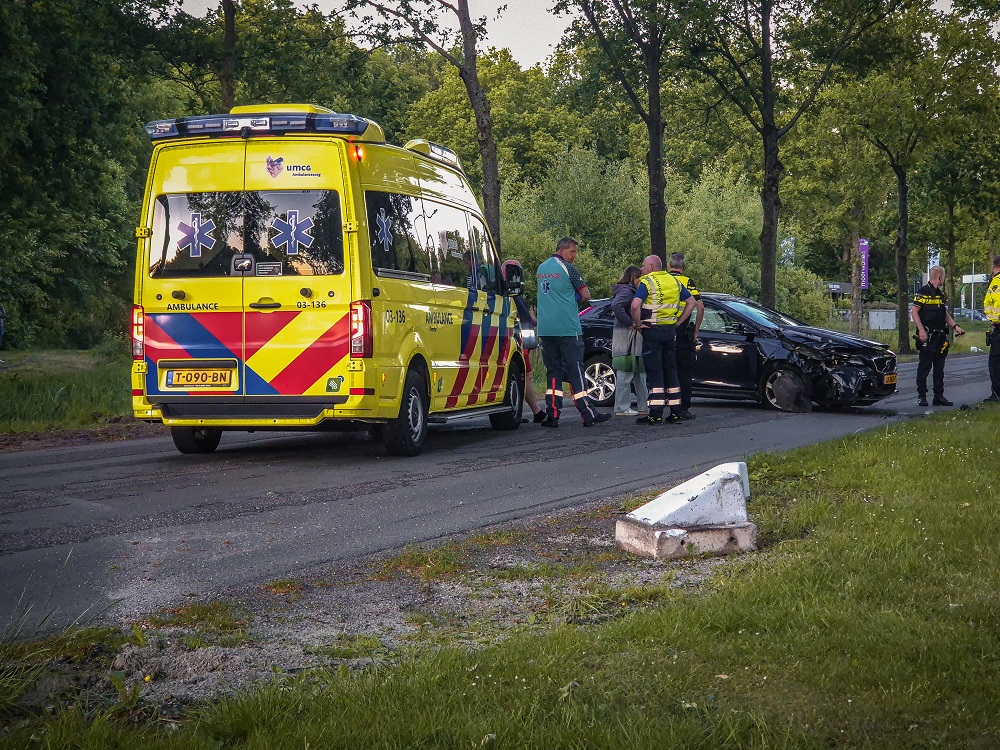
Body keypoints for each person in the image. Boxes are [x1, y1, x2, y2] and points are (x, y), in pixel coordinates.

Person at [535, 237, 612, 428]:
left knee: (553, 371)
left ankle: (552, 414)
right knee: (576, 369)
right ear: (561, 250)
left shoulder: (541, 268)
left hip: (546, 329)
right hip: (567, 328)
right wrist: (571, 297)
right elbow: (586, 295)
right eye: (572, 251)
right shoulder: (569, 269)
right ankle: (588, 413)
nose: (574, 256)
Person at [630, 254, 694, 425]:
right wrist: (678, 322)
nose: (641, 269)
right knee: (671, 370)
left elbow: (635, 305)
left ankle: (656, 413)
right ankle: (675, 411)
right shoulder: (674, 281)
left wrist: (638, 324)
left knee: (654, 371)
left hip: (652, 330)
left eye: (643, 265)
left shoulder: (647, 282)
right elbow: (691, 302)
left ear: (652, 267)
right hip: (669, 331)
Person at [911, 265, 964, 407]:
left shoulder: (940, 294)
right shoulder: (923, 292)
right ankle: (922, 396)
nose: (944, 279)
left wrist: (955, 326)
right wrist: (921, 331)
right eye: (944, 277)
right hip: (927, 336)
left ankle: (938, 396)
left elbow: (944, 313)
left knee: (939, 368)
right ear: (940, 276)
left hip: (940, 336)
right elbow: (914, 312)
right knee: (925, 366)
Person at [667, 252, 704, 420]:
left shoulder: (663, 280)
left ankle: (660, 405)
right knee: (684, 371)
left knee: (666, 368)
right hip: (682, 331)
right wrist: (696, 330)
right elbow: (700, 306)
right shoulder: (687, 282)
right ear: (684, 267)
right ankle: (682, 408)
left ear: (669, 266)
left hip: (663, 327)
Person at [610, 265, 649, 416]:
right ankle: (622, 407)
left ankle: (643, 406)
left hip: (631, 334)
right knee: (625, 372)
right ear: (633, 277)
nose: (641, 281)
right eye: (639, 277)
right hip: (626, 335)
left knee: (639, 371)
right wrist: (631, 323)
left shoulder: (628, 290)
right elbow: (616, 306)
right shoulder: (626, 291)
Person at [513, 292, 546, 422]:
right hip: (519, 341)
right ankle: (536, 411)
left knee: (521, 376)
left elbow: (526, 316)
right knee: (526, 376)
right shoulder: (513, 293)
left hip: (519, 339)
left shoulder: (513, 294)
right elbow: (525, 317)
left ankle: (515, 410)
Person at [983, 255, 1000, 402]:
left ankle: (996, 394)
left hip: (998, 328)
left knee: (995, 363)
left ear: (994, 267)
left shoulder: (996, 282)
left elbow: (997, 304)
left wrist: (994, 320)